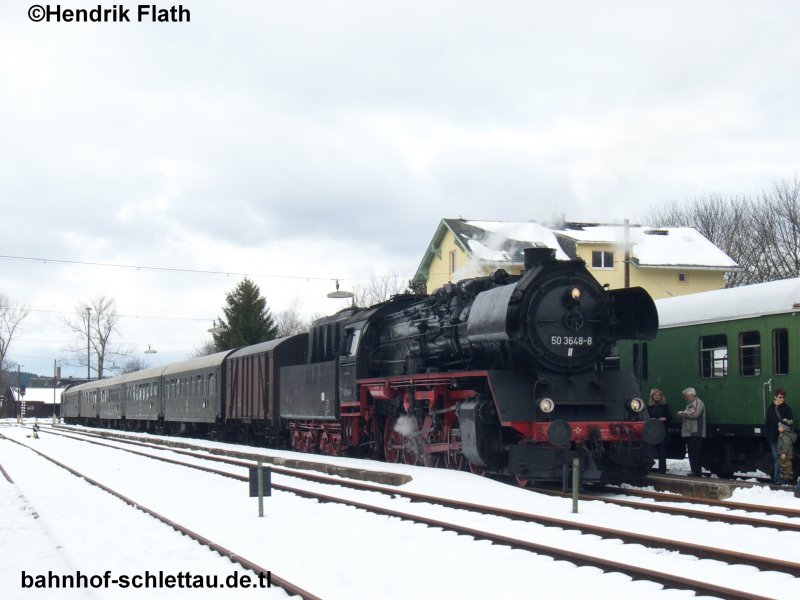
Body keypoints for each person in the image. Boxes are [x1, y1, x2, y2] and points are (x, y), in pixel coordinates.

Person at [676, 387, 706, 476]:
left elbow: (694, 414)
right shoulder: (689, 404)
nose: (685, 398)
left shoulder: (697, 402)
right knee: (692, 452)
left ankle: (697, 472)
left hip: (695, 431)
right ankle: (694, 471)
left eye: (686, 396)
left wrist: (681, 413)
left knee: (695, 452)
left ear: (692, 395)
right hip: (690, 432)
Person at [765, 388, 793, 482]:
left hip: (783, 438)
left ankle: (780, 478)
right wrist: (769, 436)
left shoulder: (787, 409)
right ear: (775, 397)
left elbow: (790, 422)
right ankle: (778, 478)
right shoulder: (771, 409)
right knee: (777, 458)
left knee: (782, 458)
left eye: (783, 397)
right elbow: (768, 423)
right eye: (780, 397)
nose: (782, 399)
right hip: (773, 438)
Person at [647, 388, 671, 473]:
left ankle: (662, 469)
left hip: (662, 430)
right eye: (655, 395)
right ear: (652, 397)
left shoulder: (665, 406)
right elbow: (646, 418)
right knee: (651, 451)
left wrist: (665, 418)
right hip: (652, 431)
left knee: (662, 451)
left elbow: (669, 417)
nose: (657, 397)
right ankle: (648, 468)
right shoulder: (649, 407)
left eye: (658, 395)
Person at [776, 419, 796, 485]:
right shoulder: (783, 435)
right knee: (783, 467)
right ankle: (783, 481)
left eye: (780, 427)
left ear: (784, 428)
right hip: (784, 454)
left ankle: (786, 481)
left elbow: (786, 445)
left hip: (785, 454)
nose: (778, 428)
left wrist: (784, 453)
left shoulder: (786, 436)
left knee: (786, 468)